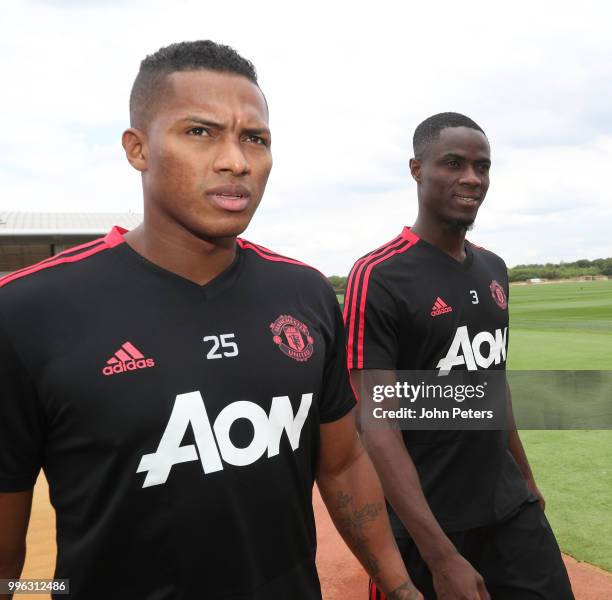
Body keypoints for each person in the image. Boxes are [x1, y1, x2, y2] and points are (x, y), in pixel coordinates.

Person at [0, 41, 422, 600]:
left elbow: (343, 463)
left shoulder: (303, 292)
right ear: (137, 149)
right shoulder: (27, 310)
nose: (236, 161)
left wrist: (400, 587)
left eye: (255, 138)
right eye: (200, 132)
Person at [344, 112, 574, 600]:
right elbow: (377, 425)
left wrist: (527, 480)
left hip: (507, 506)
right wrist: (440, 554)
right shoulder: (378, 275)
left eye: (482, 166)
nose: (472, 178)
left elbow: (493, 387)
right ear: (417, 169)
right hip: (427, 523)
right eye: (453, 163)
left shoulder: (494, 268)